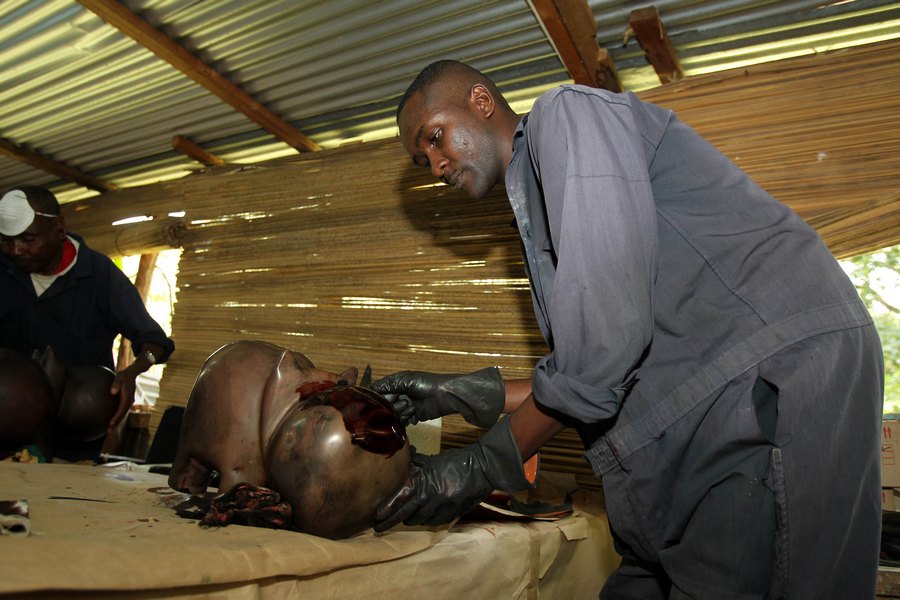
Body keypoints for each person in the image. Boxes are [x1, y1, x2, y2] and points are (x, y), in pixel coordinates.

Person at [371, 60, 884, 598]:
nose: (436, 165)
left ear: (481, 101)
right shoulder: (535, 203)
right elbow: (593, 368)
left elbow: (601, 352)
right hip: (692, 410)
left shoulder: (567, 114)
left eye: (435, 137)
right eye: (422, 159)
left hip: (769, 382)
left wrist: (478, 467)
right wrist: (459, 393)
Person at [0, 185, 174, 461]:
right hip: (7, 429)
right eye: (6, 241)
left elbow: (154, 342)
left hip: (72, 440)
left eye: (27, 240)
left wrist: (133, 371)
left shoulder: (100, 276)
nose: (16, 250)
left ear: (58, 228)